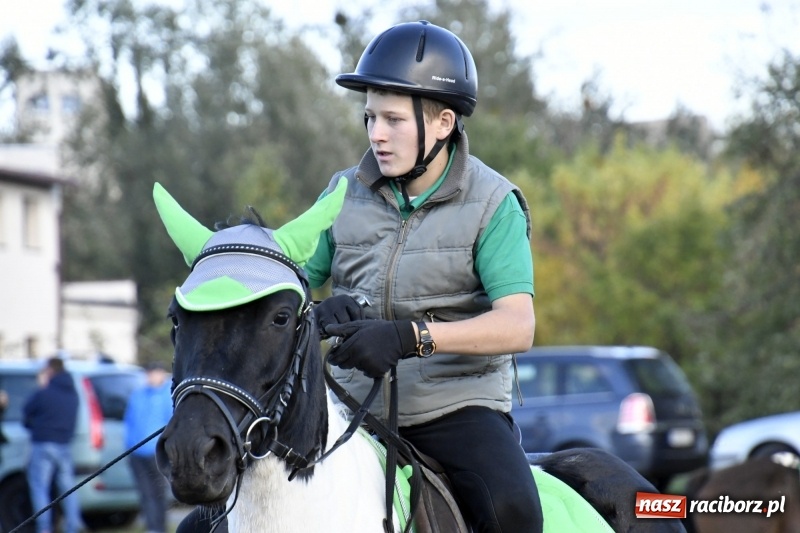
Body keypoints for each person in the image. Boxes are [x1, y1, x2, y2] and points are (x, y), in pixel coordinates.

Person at [308, 20, 543, 533]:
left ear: (442, 123)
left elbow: (517, 326)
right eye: (370, 117)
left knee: (512, 511)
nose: (376, 134)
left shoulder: (495, 203)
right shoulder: (340, 193)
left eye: (393, 119)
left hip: (455, 406)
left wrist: (411, 337)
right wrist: (313, 312)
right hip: (344, 405)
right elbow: (285, 285)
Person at [23, 356, 82, 533]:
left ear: (50, 370)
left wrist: (42, 386)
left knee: (40, 487)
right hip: (64, 444)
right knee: (68, 489)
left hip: (43, 444)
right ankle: (73, 526)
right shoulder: (73, 393)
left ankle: (44, 528)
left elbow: (26, 411)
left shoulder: (45, 392)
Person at [124, 361, 173, 533]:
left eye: (154, 373)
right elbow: (129, 421)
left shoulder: (169, 395)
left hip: (157, 453)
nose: (151, 376)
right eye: (149, 373)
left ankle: (160, 527)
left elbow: (171, 423)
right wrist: (129, 446)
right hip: (137, 453)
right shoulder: (138, 394)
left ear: (161, 374)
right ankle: (152, 528)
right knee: (145, 493)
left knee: (159, 493)